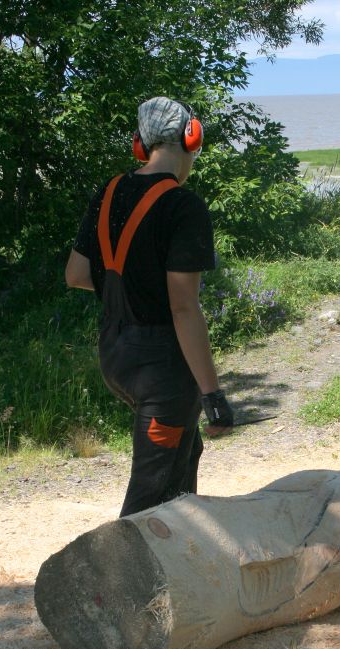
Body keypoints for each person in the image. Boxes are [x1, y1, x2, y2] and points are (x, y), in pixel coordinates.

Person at [65, 95, 234, 517]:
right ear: (191, 138)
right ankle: (110, 580)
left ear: (140, 144)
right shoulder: (183, 206)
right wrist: (213, 394)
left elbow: (77, 274)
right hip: (162, 370)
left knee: (184, 452)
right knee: (149, 494)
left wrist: (132, 288)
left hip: (115, 355)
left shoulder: (109, 192)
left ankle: (184, 562)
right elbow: (184, 308)